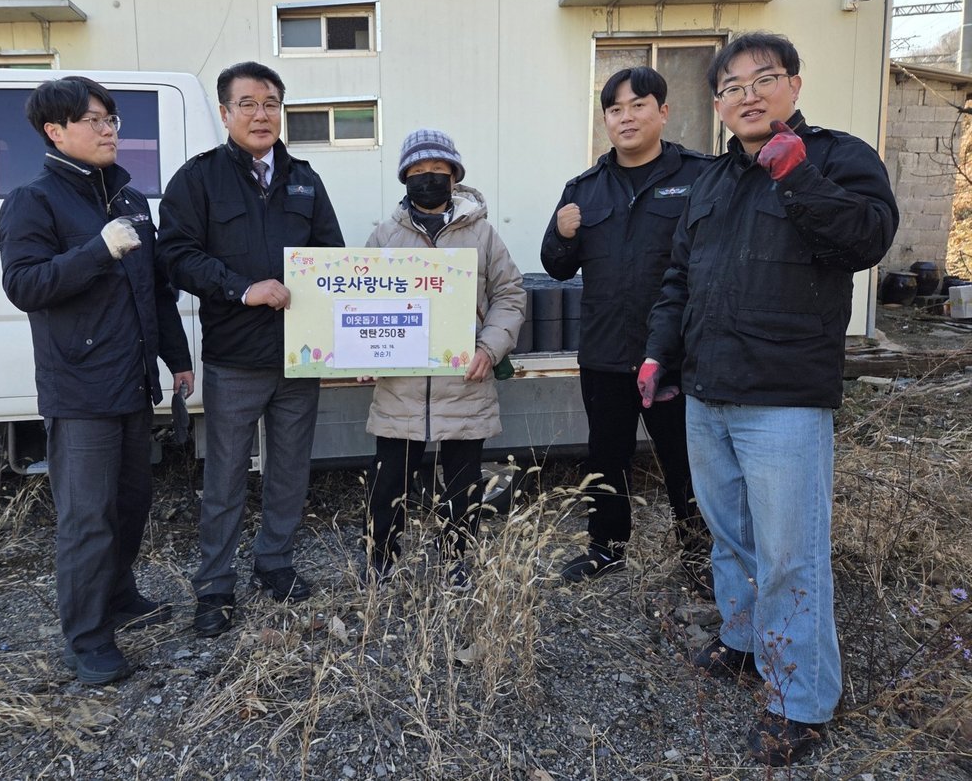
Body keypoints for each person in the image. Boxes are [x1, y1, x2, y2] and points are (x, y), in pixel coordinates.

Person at [642, 33, 898, 766]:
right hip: (707, 390)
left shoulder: (837, 157)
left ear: (794, 85)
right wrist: (660, 351)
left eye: (764, 79)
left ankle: (801, 702)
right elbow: (679, 278)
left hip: (784, 396)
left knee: (790, 554)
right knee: (730, 536)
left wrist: (797, 175)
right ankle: (744, 641)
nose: (748, 95)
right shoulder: (711, 180)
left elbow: (868, 239)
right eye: (731, 86)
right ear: (717, 104)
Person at [0, 76, 194, 685]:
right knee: (88, 517)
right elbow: (23, 285)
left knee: (131, 503)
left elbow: (156, 289)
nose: (109, 130)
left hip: (132, 380)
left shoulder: (128, 199)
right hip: (79, 387)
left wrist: (176, 357)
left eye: (112, 120)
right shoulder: (34, 201)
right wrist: (96, 251)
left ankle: (119, 595)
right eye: (95, 120)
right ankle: (86, 638)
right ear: (55, 131)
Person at [156, 61, 344, 637]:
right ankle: (215, 586)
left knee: (289, 470)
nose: (261, 115)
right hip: (235, 357)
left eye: (271, 104)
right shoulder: (199, 179)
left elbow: (333, 259)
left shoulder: (305, 180)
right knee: (225, 478)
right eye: (248, 104)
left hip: (299, 357)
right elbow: (176, 256)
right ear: (224, 113)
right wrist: (242, 288)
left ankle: (275, 562)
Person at [540, 67, 712, 590]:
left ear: (663, 111)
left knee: (685, 458)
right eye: (615, 109)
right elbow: (556, 267)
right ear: (606, 120)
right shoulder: (584, 189)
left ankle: (699, 554)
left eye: (638, 105)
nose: (626, 117)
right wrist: (563, 234)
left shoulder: (699, 177)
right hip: (605, 351)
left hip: (676, 354)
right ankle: (606, 549)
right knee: (606, 456)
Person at [362, 129, 525, 590]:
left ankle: (456, 559)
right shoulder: (385, 235)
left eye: (437, 169)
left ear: (454, 175)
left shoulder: (482, 234)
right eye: (417, 171)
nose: (428, 178)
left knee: (463, 482)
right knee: (388, 481)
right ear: (404, 178)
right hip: (400, 387)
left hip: (465, 382)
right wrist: (362, 352)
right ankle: (381, 559)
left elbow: (510, 294)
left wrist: (489, 348)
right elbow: (361, 300)